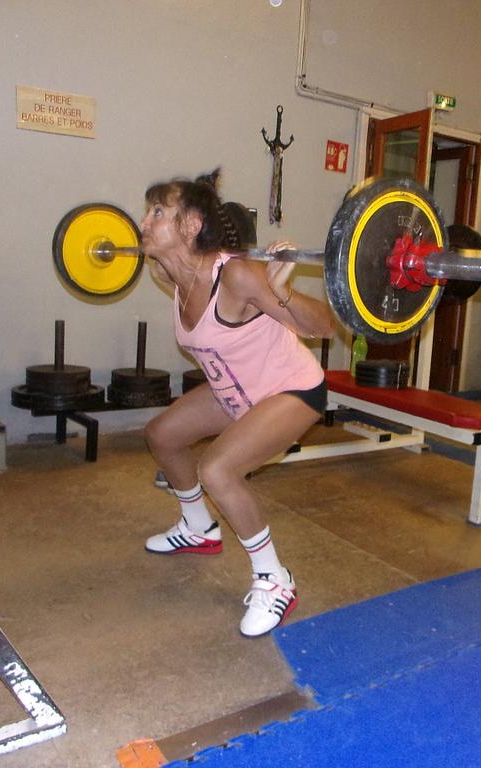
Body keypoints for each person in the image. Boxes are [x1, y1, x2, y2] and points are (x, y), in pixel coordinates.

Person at [139, 172, 335, 637]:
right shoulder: (170, 274)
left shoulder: (240, 275)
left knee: (218, 470)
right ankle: (198, 526)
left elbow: (324, 327)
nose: (144, 221)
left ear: (191, 226)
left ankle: (274, 580)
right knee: (162, 435)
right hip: (236, 390)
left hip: (292, 390)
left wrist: (283, 291)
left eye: (158, 212)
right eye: (147, 211)